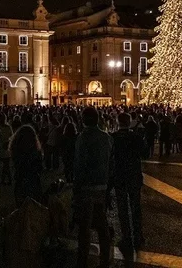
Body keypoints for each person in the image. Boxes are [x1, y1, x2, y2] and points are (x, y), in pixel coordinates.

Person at [74, 107, 113, 268]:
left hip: (87, 186)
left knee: (85, 226)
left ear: (83, 119)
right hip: (102, 185)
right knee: (101, 223)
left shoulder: (83, 138)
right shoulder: (107, 138)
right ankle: (105, 259)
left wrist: (77, 188)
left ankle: (82, 261)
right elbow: (111, 163)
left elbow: (79, 165)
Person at [111, 112, 145, 252]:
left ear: (118, 122)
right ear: (129, 121)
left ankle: (126, 237)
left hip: (119, 176)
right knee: (136, 206)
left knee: (122, 208)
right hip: (134, 175)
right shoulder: (136, 137)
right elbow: (145, 153)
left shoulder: (113, 138)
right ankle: (138, 236)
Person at [10, 124, 44, 207]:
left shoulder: (16, 150)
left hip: (20, 181)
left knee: (21, 208)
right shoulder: (36, 152)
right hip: (33, 181)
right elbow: (40, 167)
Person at [0, 113, 13, 185]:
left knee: (3, 165)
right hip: (6, 146)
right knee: (6, 165)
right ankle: (8, 179)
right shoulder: (8, 127)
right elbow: (11, 136)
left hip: (0, 147)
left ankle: (3, 179)